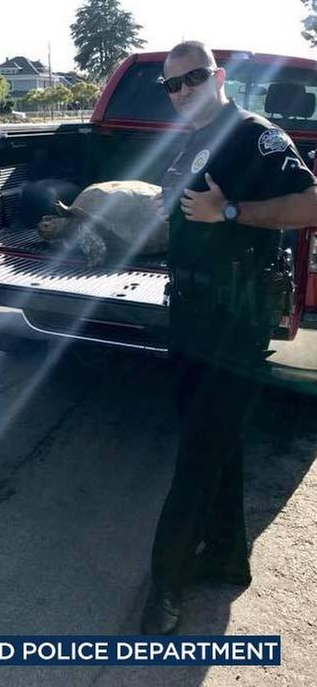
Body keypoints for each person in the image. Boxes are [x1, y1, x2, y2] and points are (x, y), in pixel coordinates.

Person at [142, 41, 317, 634]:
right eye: (172, 84)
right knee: (216, 442)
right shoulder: (189, 140)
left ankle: (164, 582)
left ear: (217, 77)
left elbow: (312, 201)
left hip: (236, 321)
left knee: (197, 452)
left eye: (193, 79)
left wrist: (232, 213)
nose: (183, 91)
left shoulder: (254, 134)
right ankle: (226, 555)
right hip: (191, 315)